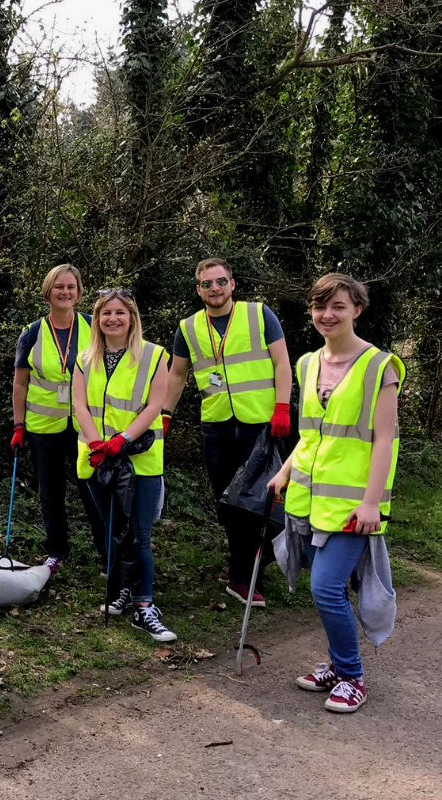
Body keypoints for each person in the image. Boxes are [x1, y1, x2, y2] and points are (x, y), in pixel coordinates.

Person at [268, 274, 403, 714]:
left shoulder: (379, 366)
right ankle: (336, 663)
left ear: (357, 310)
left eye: (338, 306)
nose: (328, 315)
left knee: (326, 588)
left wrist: (371, 502)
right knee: (325, 588)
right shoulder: (307, 364)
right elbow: (312, 433)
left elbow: (384, 440)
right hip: (309, 498)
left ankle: (352, 676)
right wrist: (284, 471)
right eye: (320, 306)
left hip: (353, 504)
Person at [165, 257, 291, 607]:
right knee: (226, 501)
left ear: (232, 284)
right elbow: (177, 375)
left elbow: (282, 362)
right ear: (198, 289)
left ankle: (243, 579)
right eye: (207, 284)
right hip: (217, 425)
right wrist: (164, 414)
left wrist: (282, 406)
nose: (214, 288)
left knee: (253, 503)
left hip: (259, 425)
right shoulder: (188, 328)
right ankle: (241, 560)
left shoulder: (259, 314)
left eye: (221, 281)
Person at [72, 288, 176, 643]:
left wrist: (122, 440)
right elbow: (81, 407)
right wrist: (97, 443)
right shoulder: (85, 358)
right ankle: (125, 591)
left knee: (139, 535)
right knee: (113, 528)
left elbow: (154, 405)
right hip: (98, 459)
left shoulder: (154, 355)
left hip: (139, 459)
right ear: (97, 319)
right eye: (105, 313)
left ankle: (145, 606)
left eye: (120, 313)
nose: (113, 319)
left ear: (132, 318)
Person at [10, 264, 104, 573]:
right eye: (59, 286)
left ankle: (107, 553)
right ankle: (57, 552)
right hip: (42, 427)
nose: (65, 292)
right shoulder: (32, 332)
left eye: (71, 287)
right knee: (50, 493)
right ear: (48, 292)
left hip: (85, 426)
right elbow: (20, 381)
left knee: (93, 491)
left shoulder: (95, 327)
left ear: (79, 292)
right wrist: (18, 425)